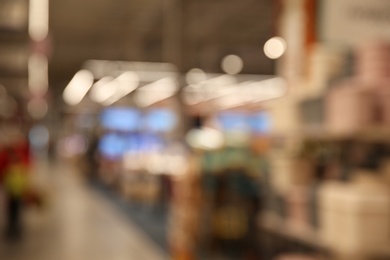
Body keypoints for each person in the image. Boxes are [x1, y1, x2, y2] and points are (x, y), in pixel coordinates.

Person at [3, 150, 28, 240]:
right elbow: (6, 181)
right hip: (12, 194)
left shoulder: (19, 170)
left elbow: (24, 182)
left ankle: (15, 228)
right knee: (12, 213)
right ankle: (12, 228)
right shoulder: (10, 170)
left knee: (15, 212)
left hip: (17, 194)